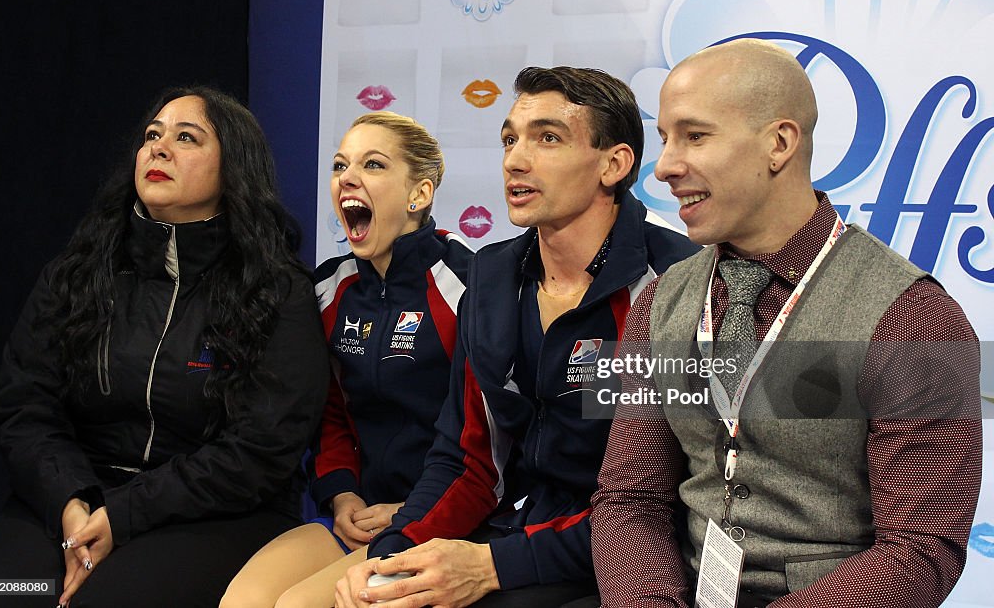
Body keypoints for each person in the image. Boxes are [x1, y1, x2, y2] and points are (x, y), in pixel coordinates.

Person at [590, 38, 982, 607]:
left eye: (694, 136)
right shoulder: (661, 301)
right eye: (667, 139)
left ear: (779, 143)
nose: (667, 167)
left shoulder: (913, 315)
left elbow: (921, 549)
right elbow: (630, 497)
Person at [335, 66, 699, 608]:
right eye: (510, 139)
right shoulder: (491, 278)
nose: (515, 159)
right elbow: (466, 460)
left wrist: (494, 565)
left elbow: (667, 503)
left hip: (630, 562)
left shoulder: (678, 283)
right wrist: (392, 555)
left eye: (547, 138)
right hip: (513, 536)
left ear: (614, 163)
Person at [0, 86, 330, 607]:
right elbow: (24, 408)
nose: (158, 148)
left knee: (102, 602)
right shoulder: (77, 274)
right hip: (72, 501)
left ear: (232, 169)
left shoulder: (277, 292)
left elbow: (261, 451)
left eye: (186, 137)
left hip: (212, 515)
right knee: (14, 597)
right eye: (152, 135)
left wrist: (123, 515)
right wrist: (73, 504)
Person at [220, 111, 472, 608]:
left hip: (445, 516)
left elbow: (483, 434)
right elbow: (330, 410)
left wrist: (410, 508)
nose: (348, 178)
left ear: (418, 195)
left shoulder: (470, 285)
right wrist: (340, 495)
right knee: (242, 602)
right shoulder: (327, 290)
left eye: (373, 165)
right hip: (357, 513)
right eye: (340, 166)